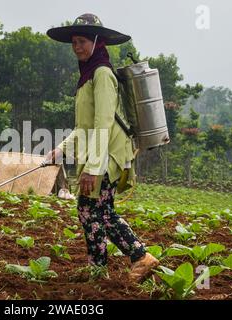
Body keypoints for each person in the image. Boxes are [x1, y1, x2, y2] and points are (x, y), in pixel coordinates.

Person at [45, 13, 159, 283]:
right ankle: (99, 270)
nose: (77, 47)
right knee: (93, 209)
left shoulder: (102, 74)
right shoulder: (87, 77)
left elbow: (103, 123)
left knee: (93, 209)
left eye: (82, 41)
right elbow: (84, 126)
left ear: (97, 42)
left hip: (108, 155)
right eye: (74, 42)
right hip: (100, 154)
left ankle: (140, 256)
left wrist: (94, 169)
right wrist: (59, 150)